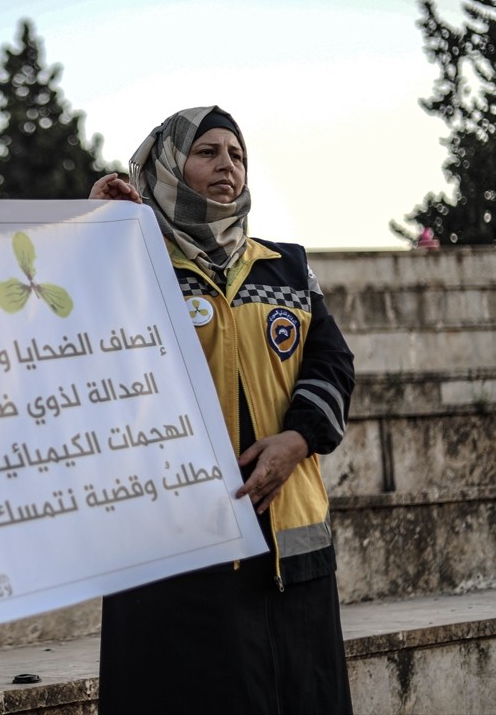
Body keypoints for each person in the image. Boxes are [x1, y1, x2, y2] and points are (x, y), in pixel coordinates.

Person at [90, 106, 355, 714]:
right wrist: (102, 233)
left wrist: (297, 440)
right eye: (206, 152)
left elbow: (332, 364)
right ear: (168, 168)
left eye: (235, 154)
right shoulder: (133, 262)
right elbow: (74, 341)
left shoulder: (286, 265)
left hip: (289, 546)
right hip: (176, 550)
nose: (225, 166)